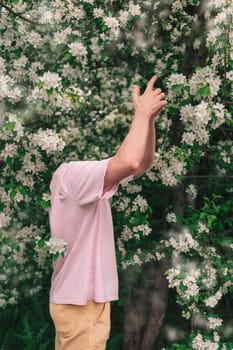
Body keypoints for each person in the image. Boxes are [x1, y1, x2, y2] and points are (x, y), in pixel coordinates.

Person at [49, 76, 167, 350]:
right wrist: (141, 113)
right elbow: (129, 161)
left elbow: (139, 164)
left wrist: (147, 120)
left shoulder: (83, 183)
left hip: (83, 301)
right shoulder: (72, 177)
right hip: (80, 304)